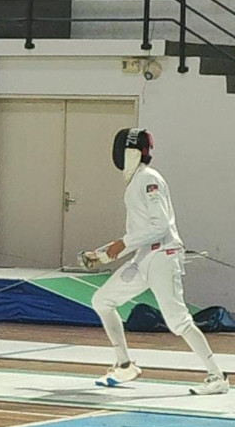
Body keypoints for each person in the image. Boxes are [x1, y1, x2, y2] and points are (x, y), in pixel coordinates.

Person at [85, 128, 228, 395]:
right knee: (102, 300)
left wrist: (121, 245)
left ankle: (217, 376)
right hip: (143, 259)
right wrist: (103, 253)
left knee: (178, 321)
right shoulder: (136, 180)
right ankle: (125, 364)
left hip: (162, 257)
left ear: (129, 152)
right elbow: (137, 233)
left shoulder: (148, 178)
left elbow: (160, 225)